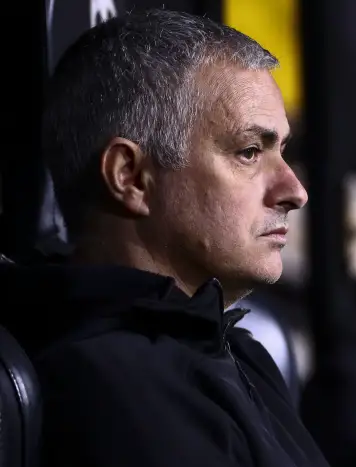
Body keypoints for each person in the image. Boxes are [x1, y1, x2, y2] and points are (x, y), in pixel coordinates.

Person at [0, 9, 329, 467]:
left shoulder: (239, 349)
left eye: (281, 151)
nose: (294, 191)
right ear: (130, 176)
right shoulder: (113, 389)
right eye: (249, 152)